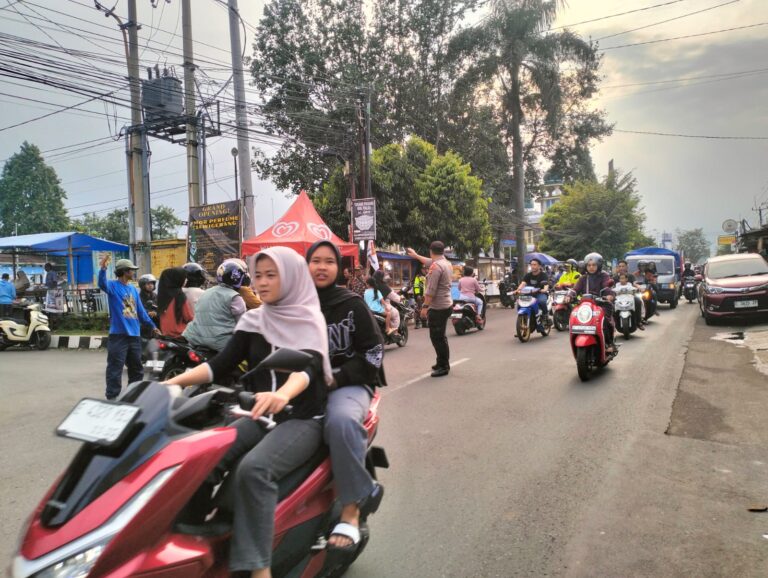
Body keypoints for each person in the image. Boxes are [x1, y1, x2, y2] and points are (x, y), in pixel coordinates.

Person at [165, 246, 330, 578]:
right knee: (200, 454)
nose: (262, 282)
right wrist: (172, 383)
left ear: (292, 278)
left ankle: (259, 569)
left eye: (272, 275)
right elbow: (220, 364)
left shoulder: (308, 319)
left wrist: (282, 394)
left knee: (254, 470)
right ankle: (186, 544)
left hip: (301, 417)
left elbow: (308, 368)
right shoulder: (253, 320)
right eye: (258, 276)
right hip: (258, 413)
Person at [306, 240, 386, 554]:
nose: (321, 267)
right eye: (315, 260)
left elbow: (374, 352)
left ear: (338, 267)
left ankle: (351, 509)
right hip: (304, 386)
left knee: (340, 422)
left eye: (329, 261)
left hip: (349, 383)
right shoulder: (295, 305)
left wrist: (336, 379)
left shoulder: (352, 304)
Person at [98, 257, 158, 400]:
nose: (133, 272)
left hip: (134, 336)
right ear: (125, 271)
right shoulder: (112, 286)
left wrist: (152, 326)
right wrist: (103, 269)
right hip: (118, 336)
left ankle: (133, 396)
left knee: (137, 369)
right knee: (115, 368)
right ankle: (112, 398)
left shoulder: (133, 289)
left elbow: (141, 312)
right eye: (131, 270)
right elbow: (102, 283)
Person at [406, 241, 454, 377]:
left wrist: (425, 307)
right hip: (446, 304)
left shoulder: (436, 267)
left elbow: (431, 290)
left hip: (438, 307)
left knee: (437, 338)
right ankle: (441, 362)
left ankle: (443, 366)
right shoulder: (446, 263)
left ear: (431, 251)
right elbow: (429, 261)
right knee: (440, 337)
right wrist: (416, 255)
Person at [183, 258, 248, 352]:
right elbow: (242, 326)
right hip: (220, 344)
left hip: (195, 339)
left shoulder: (206, 292)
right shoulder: (235, 298)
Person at [570, 252, 616, 352]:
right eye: (589, 265)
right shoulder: (583, 278)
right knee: (575, 318)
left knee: (604, 320)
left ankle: (609, 343)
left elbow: (607, 286)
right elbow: (575, 289)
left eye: (594, 265)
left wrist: (609, 295)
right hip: (586, 306)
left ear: (599, 265)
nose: (591, 267)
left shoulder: (604, 276)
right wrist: (569, 295)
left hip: (602, 304)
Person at [156, 267, 194, 339]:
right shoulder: (179, 295)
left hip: (165, 333)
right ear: (177, 279)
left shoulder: (162, 295)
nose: (186, 279)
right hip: (180, 335)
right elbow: (188, 317)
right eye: (184, 277)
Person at [515, 258, 551, 328]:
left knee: (542, 301)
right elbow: (523, 283)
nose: (532, 266)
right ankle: (523, 317)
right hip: (529, 294)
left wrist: (544, 290)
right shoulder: (528, 275)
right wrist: (518, 290)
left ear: (539, 266)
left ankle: (545, 316)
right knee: (520, 303)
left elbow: (546, 285)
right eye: (531, 265)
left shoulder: (543, 275)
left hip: (540, 294)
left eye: (534, 265)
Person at [613, 259, 645, 330]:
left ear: (626, 267)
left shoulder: (631, 276)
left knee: (638, 301)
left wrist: (639, 288)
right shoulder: (614, 277)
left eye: (623, 266)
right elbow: (611, 286)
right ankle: (613, 323)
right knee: (610, 303)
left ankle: (639, 321)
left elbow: (635, 284)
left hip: (630, 296)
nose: (621, 268)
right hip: (618, 297)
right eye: (620, 266)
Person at [138, 273, 158, 339]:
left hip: (156, 324)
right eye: (148, 284)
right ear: (142, 285)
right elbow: (139, 309)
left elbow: (160, 307)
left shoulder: (155, 296)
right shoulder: (139, 297)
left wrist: (156, 312)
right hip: (143, 326)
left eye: (152, 283)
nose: (151, 285)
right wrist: (148, 312)